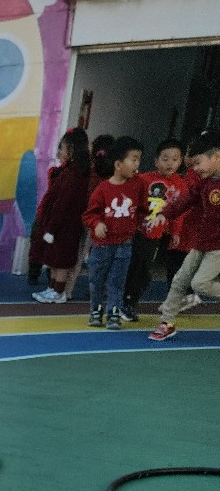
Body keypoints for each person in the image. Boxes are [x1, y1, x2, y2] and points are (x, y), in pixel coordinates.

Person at [148, 131, 220, 341]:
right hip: (201, 242)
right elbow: (186, 200)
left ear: (216, 156)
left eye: (198, 163)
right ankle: (167, 322)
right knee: (180, 280)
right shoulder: (203, 182)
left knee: (200, 284)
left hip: (217, 247)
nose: (195, 168)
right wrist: (164, 214)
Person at [82, 135, 145, 328]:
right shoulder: (102, 189)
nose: (137, 164)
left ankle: (113, 314)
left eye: (139, 159)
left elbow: (143, 209)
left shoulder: (138, 184)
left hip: (124, 244)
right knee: (97, 280)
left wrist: (149, 219)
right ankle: (96, 311)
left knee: (117, 281)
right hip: (102, 246)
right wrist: (97, 223)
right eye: (133, 159)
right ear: (118, 165)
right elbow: (89, 214)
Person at [121, 138, 185, 322]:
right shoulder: (144, 179)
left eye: (175, 159)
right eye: (165, 159)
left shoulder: (180, 185)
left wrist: (176, 232)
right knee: (136, 267)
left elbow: (179, 211)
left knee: (144, 270)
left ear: (180, 161)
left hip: (158, 234)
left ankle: (129, 301)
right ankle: (126, 302)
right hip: (139, 231)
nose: (170, 163)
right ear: (156, 161)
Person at [31, 130, 91, 305]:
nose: (60, 152)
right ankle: (52, 288)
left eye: (62, 148)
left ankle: (59, 292)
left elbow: (62, 204)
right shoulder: (68, 172)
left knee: (61, 261)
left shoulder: (74, 175)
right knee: (54, 259)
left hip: (66, 226)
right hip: (60, 225)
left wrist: (52, 227)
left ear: (72, 150)